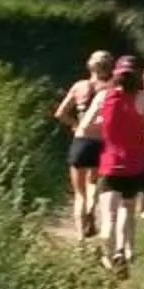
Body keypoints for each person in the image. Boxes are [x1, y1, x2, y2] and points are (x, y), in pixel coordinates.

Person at [90, 59, 144, 275]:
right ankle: (121, 250)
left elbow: (86, 126)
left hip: (110, 163)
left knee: (108, 215)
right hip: (134, 163)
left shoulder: (103, 97)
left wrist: (103, 129)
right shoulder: (143, 98)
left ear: (116, 75)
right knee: (127, 208)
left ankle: (110, 254)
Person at [51, 50, 114, 239]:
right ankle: (91, 212)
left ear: (90, 66)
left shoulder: (79, 86)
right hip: (101, 141)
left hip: (80, 141)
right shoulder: (111, 89)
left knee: (79, 194)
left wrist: (75, 125)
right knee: (93, 183)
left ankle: (80, 238)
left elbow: (60, 113)